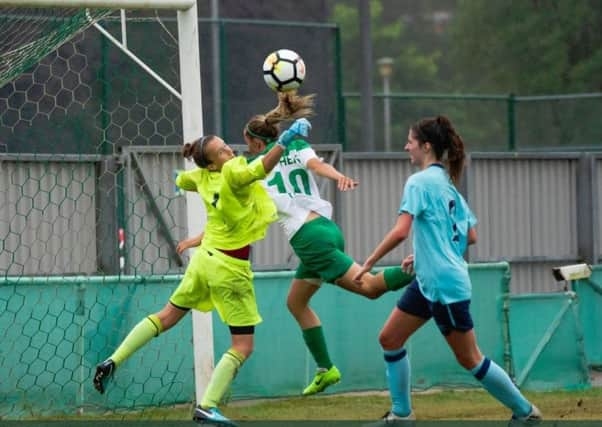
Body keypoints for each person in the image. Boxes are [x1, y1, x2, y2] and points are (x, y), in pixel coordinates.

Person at [178, 92, 414, 397]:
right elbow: (316, 166)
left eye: (245, 142)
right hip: (326, 227)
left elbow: (228, 218)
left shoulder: (249, 169)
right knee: (296, 302)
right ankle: (325, 369)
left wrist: (197, 234)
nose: (238, 148)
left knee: (369, 287)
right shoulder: (297, 146)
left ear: (256, 144)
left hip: (308, 239)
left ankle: (420, 270)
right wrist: (339, 175)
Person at [92, 119, 309, 427]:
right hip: (229, 268)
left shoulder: (201, 178)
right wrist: (285, 139)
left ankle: (112, 360)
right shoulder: (232, 172)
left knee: (166, 316)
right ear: (213, 164)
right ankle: (207, 406)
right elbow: (260, 169)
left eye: (226, 146)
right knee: (243, 346)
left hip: (203, 261)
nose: (230, 151)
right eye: (222, 151)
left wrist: (193, 161)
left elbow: (180, 180)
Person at [354, 115, 542, 425]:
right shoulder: (447, 184)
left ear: (426, 146)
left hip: (443, 286)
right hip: (429, 281)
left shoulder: (419, 182)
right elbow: (469, 235)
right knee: (389, 338)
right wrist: (422, 253)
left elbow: (401, 231)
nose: (406, 147)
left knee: (470, 358)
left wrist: (370, 262)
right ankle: (401, 416)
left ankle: (526, 413)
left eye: (410, 142)